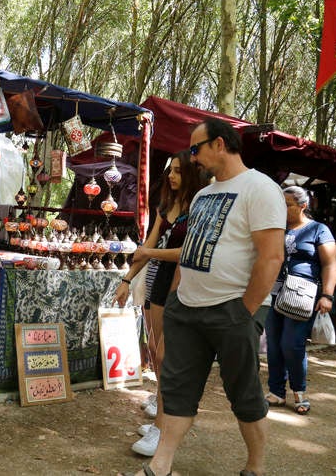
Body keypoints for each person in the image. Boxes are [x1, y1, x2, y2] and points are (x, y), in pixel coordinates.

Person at [121, 118, 286, 476]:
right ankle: (160, 465)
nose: (193, 157)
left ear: (220, 144)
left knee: (243, 394)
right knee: (177, 389)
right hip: (188, 306)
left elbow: (272, 256)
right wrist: (178, 296)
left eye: (196, 148)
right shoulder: (204, 194)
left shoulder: (261, 188)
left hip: (232, 308)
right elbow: (190, 251)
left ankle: (255, 467)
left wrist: (246, 311)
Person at [114, 150, 209, 456]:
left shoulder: (200, 207)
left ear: (192, 175)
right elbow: (147, 247)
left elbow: (188, 252)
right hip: (158, 277)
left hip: (183, 281)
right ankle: (161, 412)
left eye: (179, 171)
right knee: (155, 351)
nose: (172, 176)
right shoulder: (166, 205)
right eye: (171, 171)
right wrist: (127, 280)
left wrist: (150, 256)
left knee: (167, 355)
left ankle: (162, 427)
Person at [265, 186, 336, 414]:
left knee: (292, 344)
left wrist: (327, 295)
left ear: (303, 206)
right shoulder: (277, 228)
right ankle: (276, 392)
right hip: (275, 292)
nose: (282, 209)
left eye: (287, 205)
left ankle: (299, 391)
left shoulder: (318, 229)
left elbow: (329, 264)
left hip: (302, 295)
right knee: (274, 344)